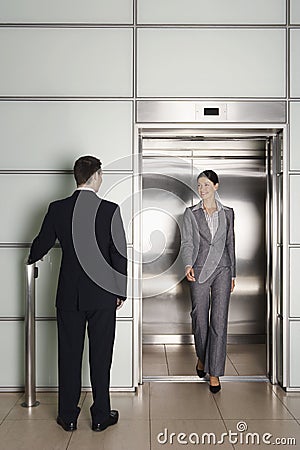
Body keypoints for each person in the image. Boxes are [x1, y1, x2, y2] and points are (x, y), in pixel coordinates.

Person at [27, 155, 127, 431]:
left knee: (69, 354)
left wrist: (30, 259)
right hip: (103, 293)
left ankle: (68, 416)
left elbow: (41, 244)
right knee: (101, 355)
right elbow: (119, 254)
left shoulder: (57, 208)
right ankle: (100, 416)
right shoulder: (110, 209)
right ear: (96, 176)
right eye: (101, 175)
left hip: (69, 294)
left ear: (76, 177)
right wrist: (121, 292)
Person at [181, 170, 236, 393]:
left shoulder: (229, 213)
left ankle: (214, 373)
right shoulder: (191, 213)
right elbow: (187, 243)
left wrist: (233, 273)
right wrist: (187, 265)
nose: (201, 189)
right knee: (200, 317)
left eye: (205, 185)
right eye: (199, 185)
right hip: (200, 269)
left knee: (219, 321)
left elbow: (231, 244)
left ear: (216, 186)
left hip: (223, 269)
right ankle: (203, 358)